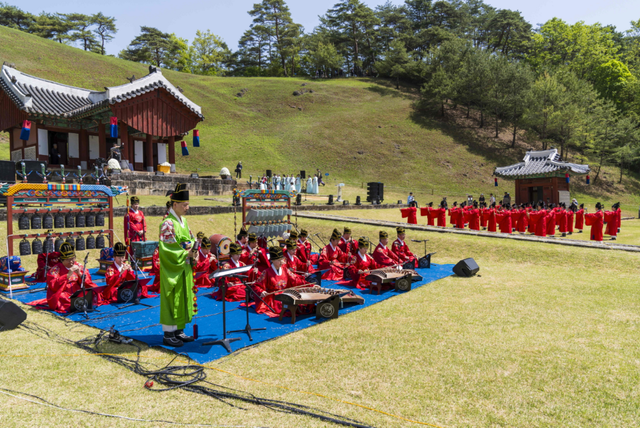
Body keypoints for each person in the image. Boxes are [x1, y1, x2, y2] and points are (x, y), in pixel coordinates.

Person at [158, 183, 196, 347]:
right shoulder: (168, 224)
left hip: (184, 266)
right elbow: (168, 249)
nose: (187, 208)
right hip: (172, 267)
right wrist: (186, 251)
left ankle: (179, 330)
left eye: (187, 204)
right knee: (172, 297)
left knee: (183, 297)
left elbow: (192, 240)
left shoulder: (184, 221)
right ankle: (168, 334)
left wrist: (192, 248)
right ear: (175, 204)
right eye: (184, 205)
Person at [253, 246, 309, 317]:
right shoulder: (266, 272)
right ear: (273, 260)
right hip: (274, 298)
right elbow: (256, 285)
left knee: (300, 301)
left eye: (282, 259)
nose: (282, 262)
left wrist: (310, 285)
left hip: (285, 293)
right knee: (286, 305)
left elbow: (296, 280)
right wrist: (261, 291)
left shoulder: (285, 270)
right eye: (279, 260)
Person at [45, 242, 100, 313]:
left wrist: (79, 274)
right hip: (64, 291)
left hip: (77, 290)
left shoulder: (78, 266)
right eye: (68, 260)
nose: (71, 261)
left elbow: (88, 282)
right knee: (61, 297)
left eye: (72, 258)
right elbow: (53, 285)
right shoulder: (55, 269)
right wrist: (67, 275)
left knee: (93, 291)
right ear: (62, 260)